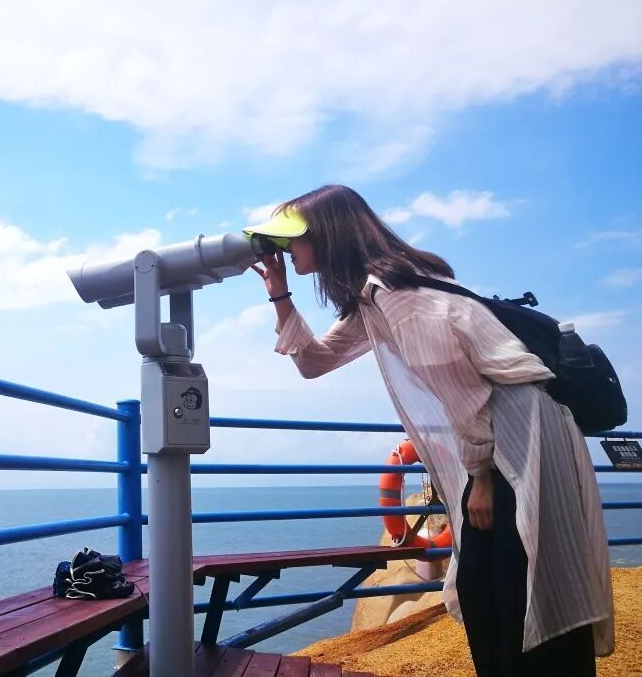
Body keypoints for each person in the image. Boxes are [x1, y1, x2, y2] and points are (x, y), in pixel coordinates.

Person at [247, 184, 613, 677]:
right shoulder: (376, 295)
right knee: (493, 586)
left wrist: (480, 477)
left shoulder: (400, 297)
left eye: (292, 237)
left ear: (328, 235)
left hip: (517, 438)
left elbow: (462, 388)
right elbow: (315, 362)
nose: (286, 249)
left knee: (515, 583)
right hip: (501, 436)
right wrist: (279, 294)